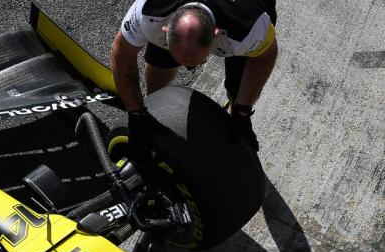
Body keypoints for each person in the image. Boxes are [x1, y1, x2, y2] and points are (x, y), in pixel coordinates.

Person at [111, 0, 279, 153]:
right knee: (159, 68)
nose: (191, 67)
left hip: (238, 13)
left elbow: (265, 57)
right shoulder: (148, 12)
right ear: (166, 28)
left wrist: (242, 111)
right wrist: (136, 114)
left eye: (200, 60)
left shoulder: (251, 28)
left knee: (239, 90)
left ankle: (233, 109)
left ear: (216, 33)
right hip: (175, 23)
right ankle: (154, 104)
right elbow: (121, 55)